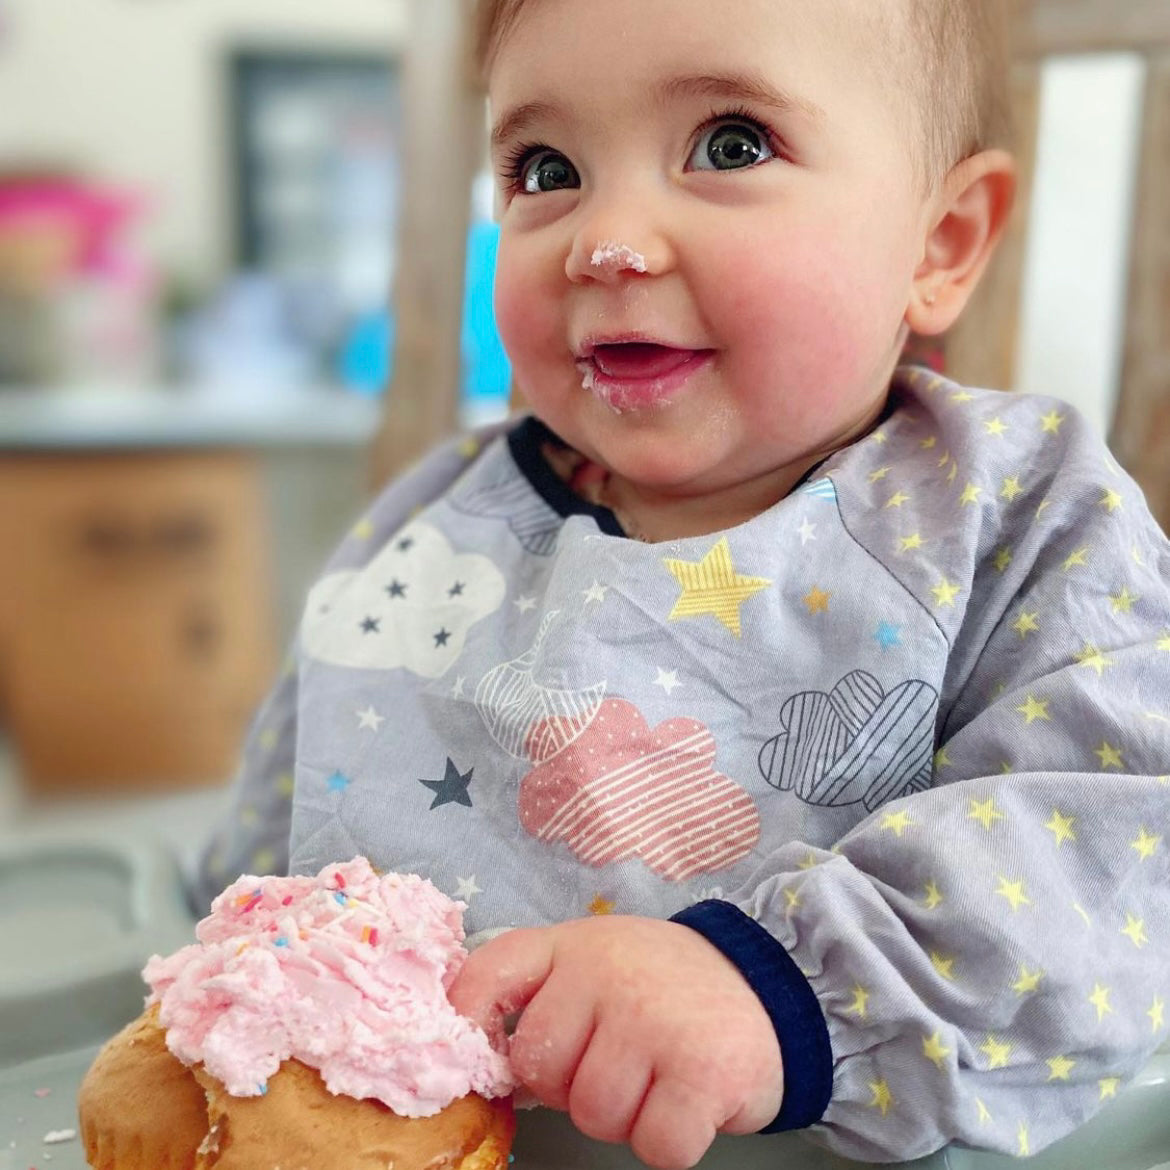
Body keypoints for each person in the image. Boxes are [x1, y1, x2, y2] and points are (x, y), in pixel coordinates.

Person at [193, 0, 1170, 1166]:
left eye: (732, 145)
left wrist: (778, 992)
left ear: (941, 242)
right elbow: (264, 854)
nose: (607, 240)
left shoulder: (1016, 515)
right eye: (546, 168)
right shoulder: (434, 535)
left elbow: (1124, 845)